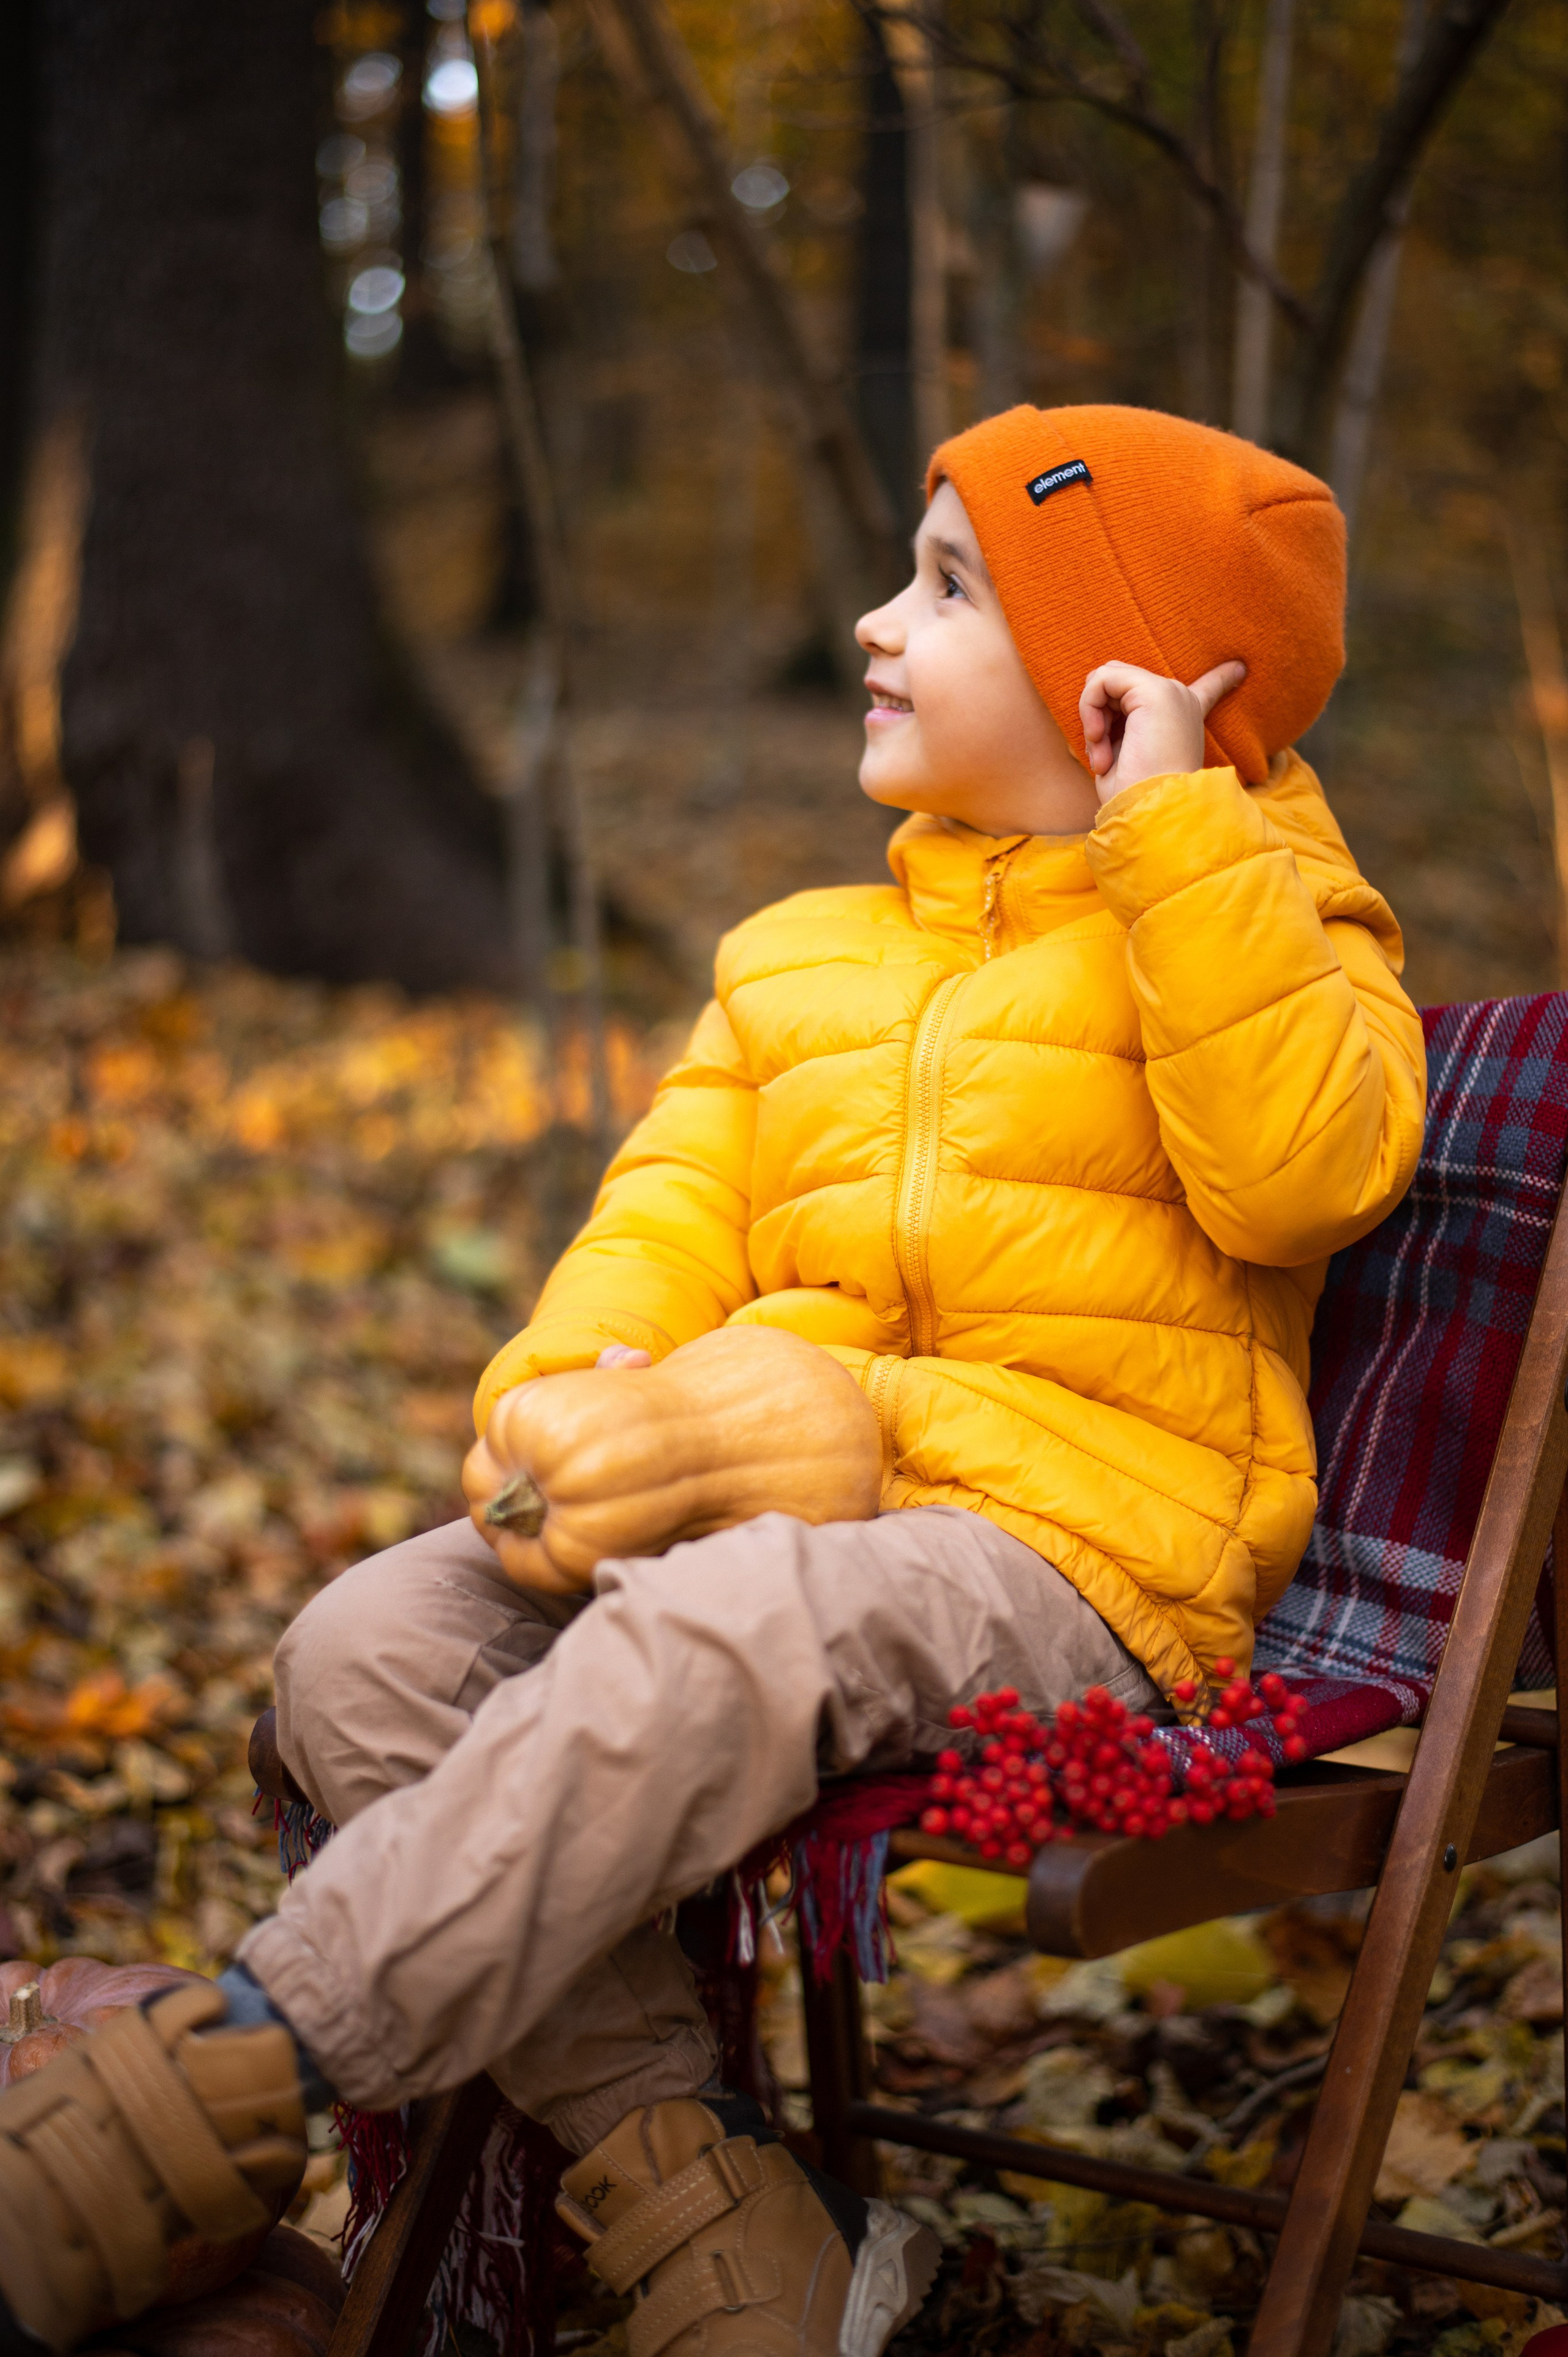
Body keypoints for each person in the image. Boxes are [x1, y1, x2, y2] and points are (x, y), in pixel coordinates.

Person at [0, 403, 1427, 2357]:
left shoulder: (1276, 938)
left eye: (942, 586)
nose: (869, 622)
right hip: (772, 1500)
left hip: (1077, 1550)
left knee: (727, 1621)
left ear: (1126, 682)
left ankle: (226, 2067)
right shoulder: (793, 963)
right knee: (364, 1649)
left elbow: (1302, 1176)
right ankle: (709, 2208)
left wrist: (1182, 828)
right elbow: (660, 1230)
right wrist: (571, 1391)